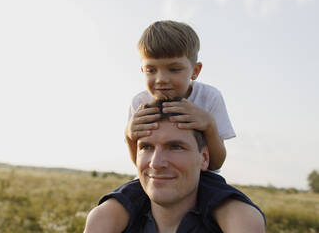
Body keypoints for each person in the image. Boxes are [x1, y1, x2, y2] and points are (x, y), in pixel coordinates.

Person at [84, 20, 265, 232]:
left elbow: (215, 162)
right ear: (142, 69)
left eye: (174, 69)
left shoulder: (209, 97)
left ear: (195, 71)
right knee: (111, 210)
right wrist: (128, 135)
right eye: (151, 70)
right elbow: (139, 161)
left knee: (233, 212)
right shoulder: (139, 102)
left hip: (205, 177)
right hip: (148, 181)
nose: (161, 79)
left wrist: (209, 125)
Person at [85, 100, 265, 232]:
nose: (156, 163)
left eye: (176, 147)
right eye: (146, 147)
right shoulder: (106, 220)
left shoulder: (238, 221)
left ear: (204, 158)